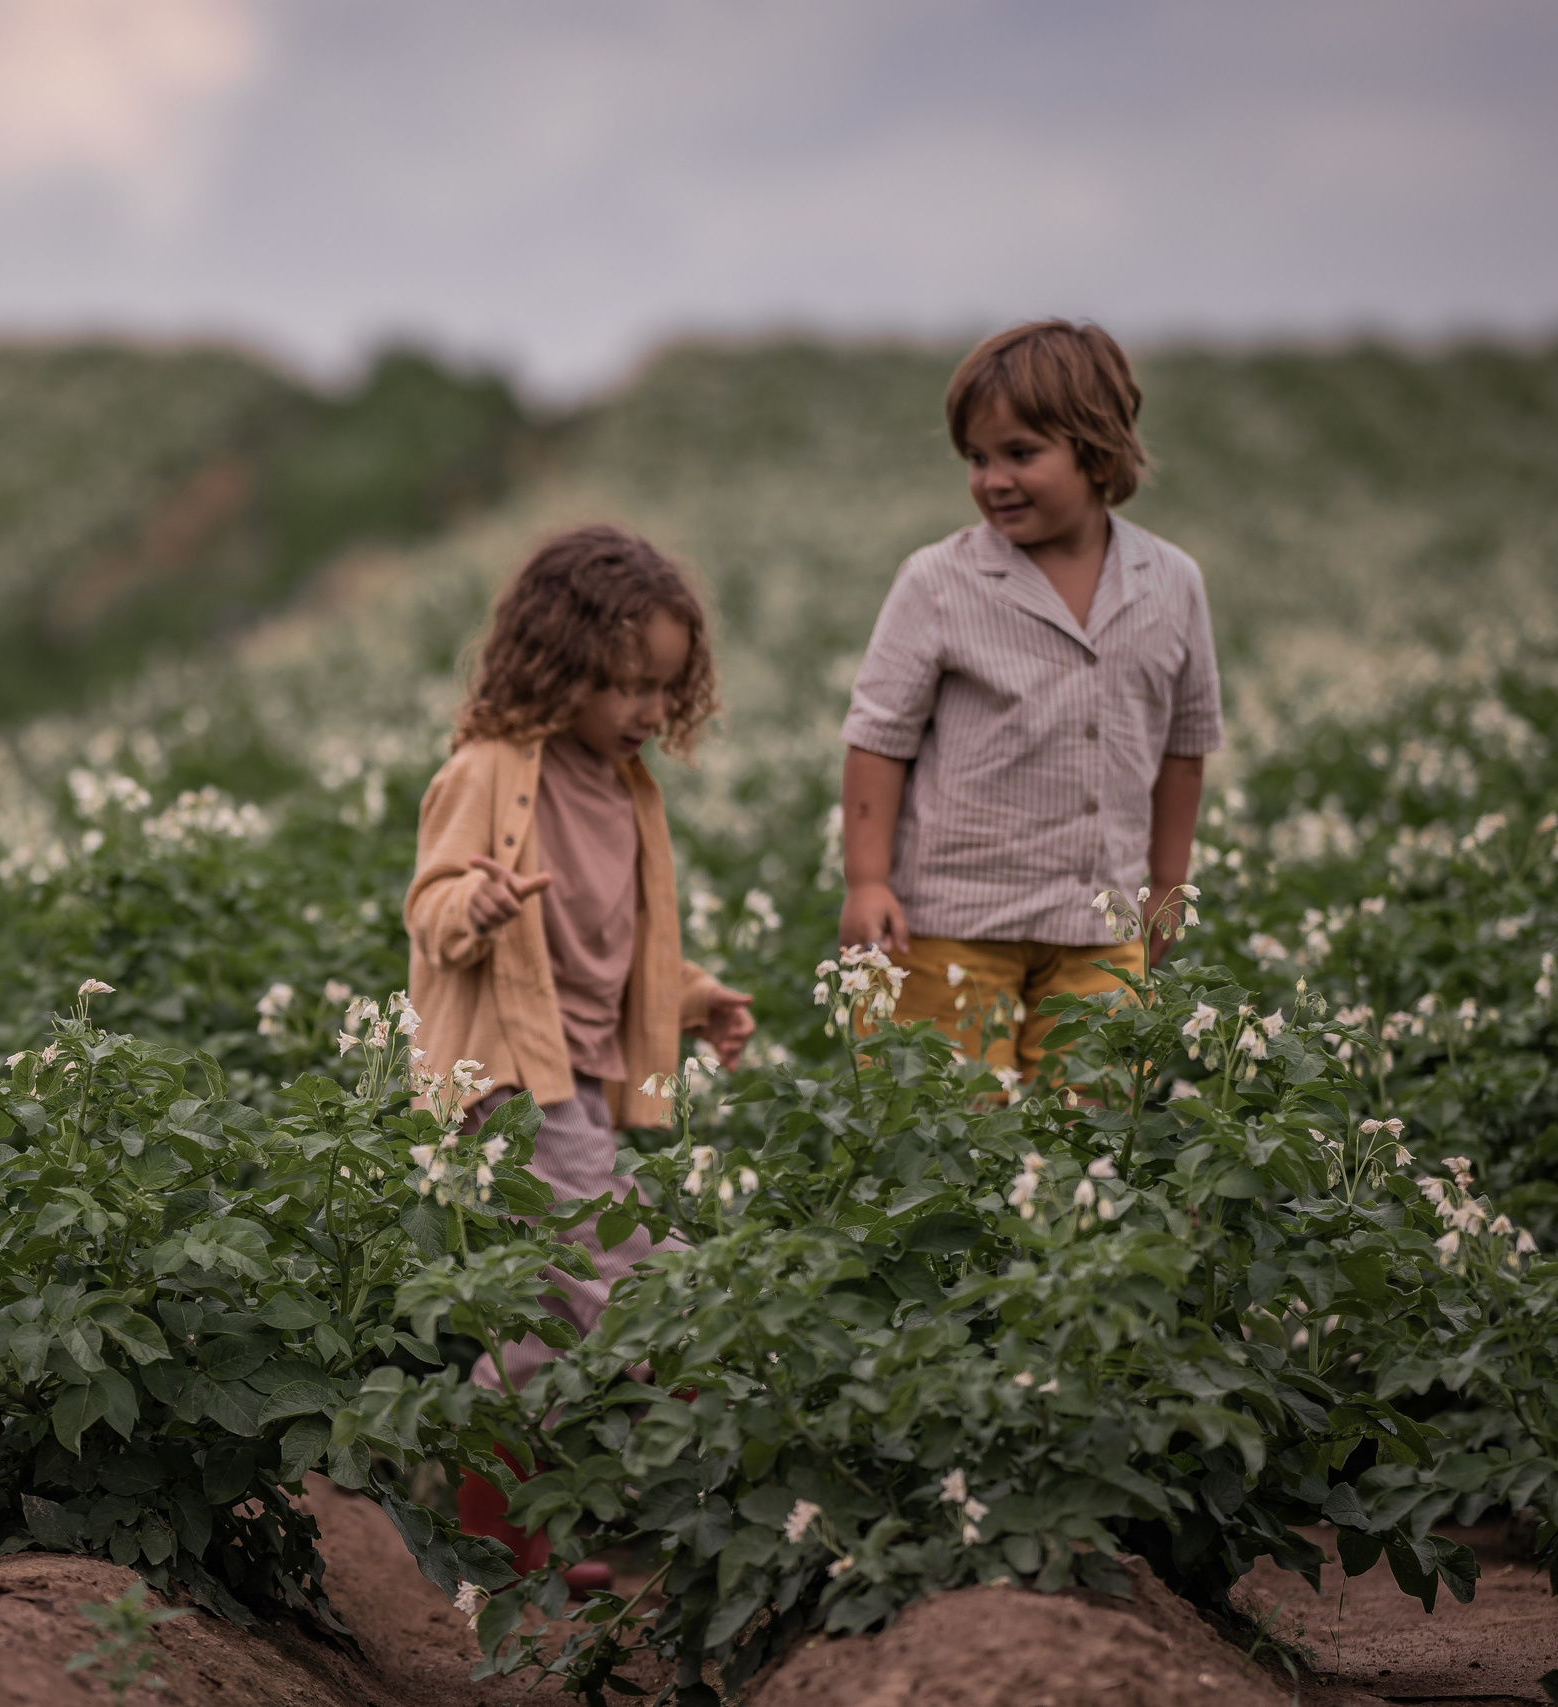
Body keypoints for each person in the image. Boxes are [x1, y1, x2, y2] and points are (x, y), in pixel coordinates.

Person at [404, 524, 755, 1575]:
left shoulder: (625, 787)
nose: (645, 712)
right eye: (623, 685)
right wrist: (480, 898)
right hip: (509, 1085)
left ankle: (506, 1543)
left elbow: (620, 946)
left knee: (542, 1310)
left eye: (663, 689)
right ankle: (656, 1514)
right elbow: (429, 905)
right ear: (557, 668)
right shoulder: (491, 771)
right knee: (632, 1282)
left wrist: (694, 1000)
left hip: (581, 1086)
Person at [837, 320, 1222, 1075]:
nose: (992, 480)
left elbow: (1185, 747)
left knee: (1089, 1145)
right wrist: (867, 880)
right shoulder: (938, 581)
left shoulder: (1172, 583)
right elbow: (877, 738)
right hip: (948, 925)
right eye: (976, 459)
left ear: (1098, 450)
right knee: (948, 1136)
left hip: (1103, 929)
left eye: (1020, 454)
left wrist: (1169, 886)